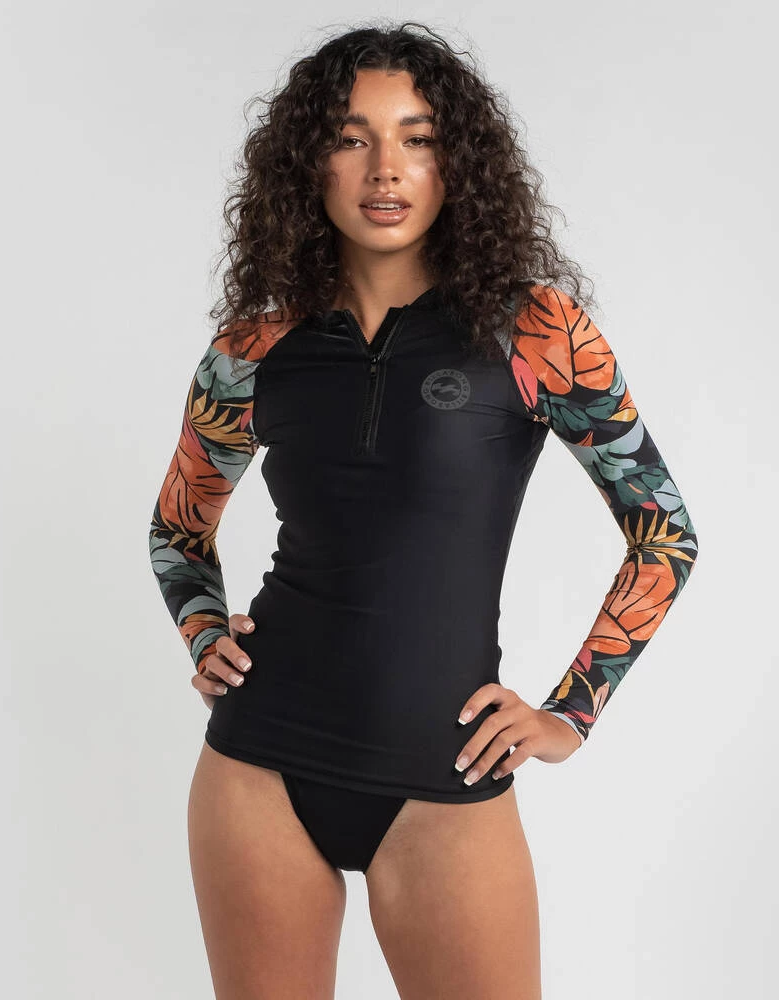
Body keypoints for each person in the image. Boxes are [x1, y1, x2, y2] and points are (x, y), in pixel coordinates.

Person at [148, 21, 698, 1000]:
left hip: (445, 772)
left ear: (458, 163)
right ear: (308, 162)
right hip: (259, 765)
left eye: (417, 137)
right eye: (350, 137)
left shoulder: (534, 332)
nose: (385, 168)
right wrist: (202, 631)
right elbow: (178, 527)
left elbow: (663, 532)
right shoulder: (255, 347)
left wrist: (569, 713)